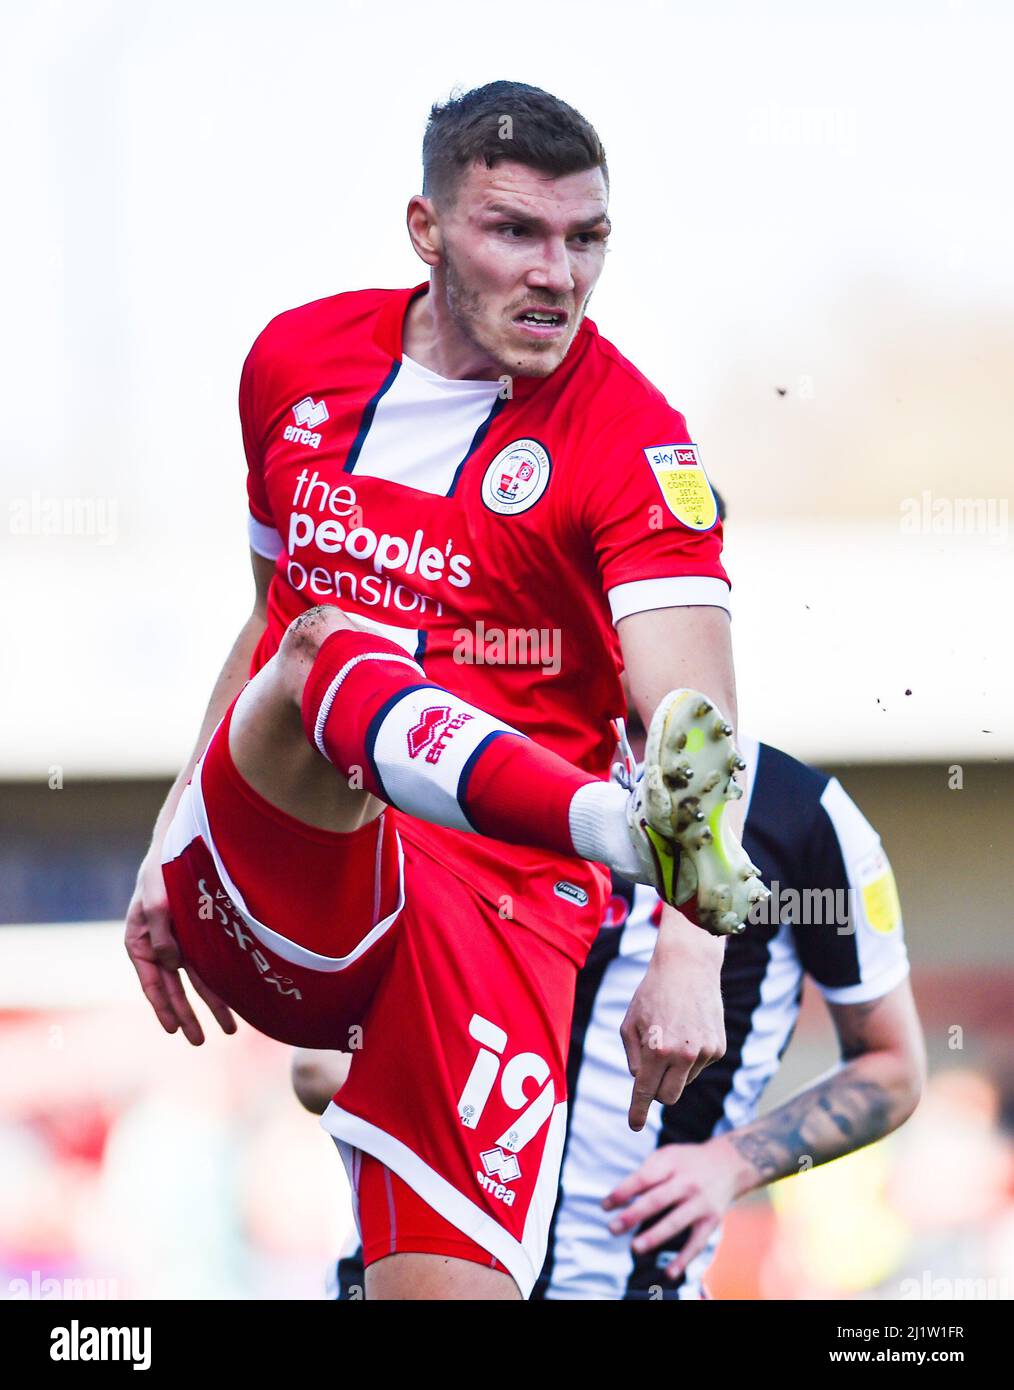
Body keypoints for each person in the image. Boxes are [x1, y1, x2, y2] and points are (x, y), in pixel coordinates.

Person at [124, 80, 760, 1301]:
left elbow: (695, 727)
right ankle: (609, 829)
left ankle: (359, 1089)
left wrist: (687, 957)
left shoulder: (632, 439)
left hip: (505, 909)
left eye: (587, 238)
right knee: (323, 650)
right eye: (514, 231)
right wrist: (173, 840)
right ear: (425, 229)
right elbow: (268, 623)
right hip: (303, 869)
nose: (558, 275)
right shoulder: (295, 362)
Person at [295, 723, 924, 1299]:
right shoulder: (461, 763)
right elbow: (316, 1070)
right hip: (405, 1274)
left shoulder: (800, 814)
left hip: (634, 1282)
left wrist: (732, 1162)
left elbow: (893, 1069)